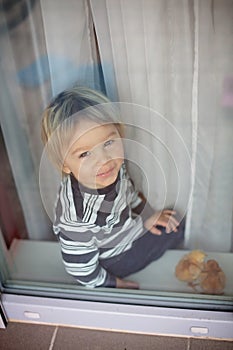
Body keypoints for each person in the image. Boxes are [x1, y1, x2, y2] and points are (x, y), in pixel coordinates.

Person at [41, 86, 184, 289]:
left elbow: (127, 192)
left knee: (172, 218)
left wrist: (147, 216)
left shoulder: (110, 170)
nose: (103, 160)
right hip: (115, 258)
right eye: (84, 154)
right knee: (178, 227)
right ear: (65, 164)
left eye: (108, 142)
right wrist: (113, 283)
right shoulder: (76, 217)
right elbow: (80, 269)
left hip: (127, 229)